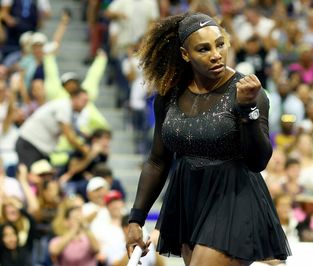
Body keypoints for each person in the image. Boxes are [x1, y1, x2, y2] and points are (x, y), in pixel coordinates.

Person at [125, 12, 291, 266]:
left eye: (220, 44)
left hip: (235, 198)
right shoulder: (168, 95)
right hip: (188, 200)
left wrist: (247, 110)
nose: (216, 54)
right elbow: (158, 161)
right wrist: (136, 219)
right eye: (204, 49)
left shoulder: (248, 92)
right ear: (185, 54)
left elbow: (258, 161)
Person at [15, 88, 90, 168]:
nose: (85, 104)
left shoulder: (69, 111)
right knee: (32, 177)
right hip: (30, 144)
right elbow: (69, 136)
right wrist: (84, 150)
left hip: (40, 148)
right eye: (84, 101)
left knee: (44, 175)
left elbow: (73, 130)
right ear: (75, 98)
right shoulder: (64, 106)